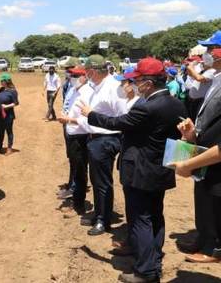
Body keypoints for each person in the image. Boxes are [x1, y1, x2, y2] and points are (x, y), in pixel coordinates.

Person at [81, 57, 187, 283]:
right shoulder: (175, 103)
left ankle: (146, 271)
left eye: (136, 80)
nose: (133, 84)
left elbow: (117, 123)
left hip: (140, 171)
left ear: (148, 83)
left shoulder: (147, 107)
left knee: (140, 219)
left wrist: (90, 113)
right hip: (161, 169)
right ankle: (153, 259)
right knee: (155, 216)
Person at [175, 48, 221, 263]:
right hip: (207, 155)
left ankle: (214, 248)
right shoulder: (216, 79)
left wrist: (189, 164)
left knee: (216, 202)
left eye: (211, 51)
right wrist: (193, 133)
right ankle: (205, 239)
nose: (207, 56)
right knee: (204, 200)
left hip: (215, 159)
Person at [76, 54, 128, 236]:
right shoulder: (98, 86)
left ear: (93, 71)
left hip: (107, 139)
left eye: (88, 71)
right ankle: (100, 213)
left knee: (102, 182)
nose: (86, 74)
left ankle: (103, 220)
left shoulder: (114, 88)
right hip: (96, 138)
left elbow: (124, 117)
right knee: (97, 180)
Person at [57, 65, 94, 216]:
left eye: (76, 76)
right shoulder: (76, 91)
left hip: (81, 136)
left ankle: (78, 205)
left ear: (84, 77)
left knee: (80, 171)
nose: (72, 79)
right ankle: (77, 200)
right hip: (73, 135)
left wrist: (68, 120)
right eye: (71, 76)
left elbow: (86, 119)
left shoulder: (87, 93)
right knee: (75, 168)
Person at [0, 73, 18, 156]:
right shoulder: (1, 89)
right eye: (1, 80)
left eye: (2, 80)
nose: (1, 82)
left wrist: (6, 106)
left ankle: (9, 148)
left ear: (7, 81)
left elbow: (16, 103)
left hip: (8, 115)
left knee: (9, 131)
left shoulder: (13, 91)